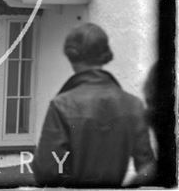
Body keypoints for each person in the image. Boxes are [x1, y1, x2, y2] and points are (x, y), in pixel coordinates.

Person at [33, 23, 155, 187]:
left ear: (71, 56)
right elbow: (147, 167)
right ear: (105, 55)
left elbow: (47, 171)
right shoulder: (133, 105)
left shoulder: (61, 105)